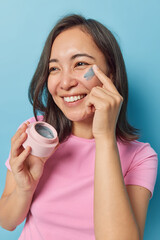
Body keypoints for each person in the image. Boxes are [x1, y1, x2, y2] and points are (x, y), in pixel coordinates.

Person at [0, 14, 158, 240]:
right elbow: (7, 222)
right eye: (54, 69)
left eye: (80, 64)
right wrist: (25, 188)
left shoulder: (140, 157)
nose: (65, 83)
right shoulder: (35, 132)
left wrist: (104, 137)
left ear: (110, 74)